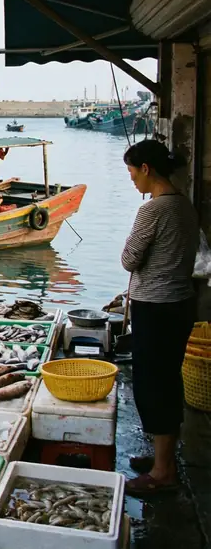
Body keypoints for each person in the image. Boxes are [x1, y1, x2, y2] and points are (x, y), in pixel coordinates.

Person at [120, 139, 200, 497]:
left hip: (156, 306)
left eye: (132, 172)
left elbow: (129, 259)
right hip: (180, 304)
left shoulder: (152, 210)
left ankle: (163, 472)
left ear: (146, 169)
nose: (132, 180)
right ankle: (160, 458)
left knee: (155, 386)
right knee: (168, 380)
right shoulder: (184, 204)